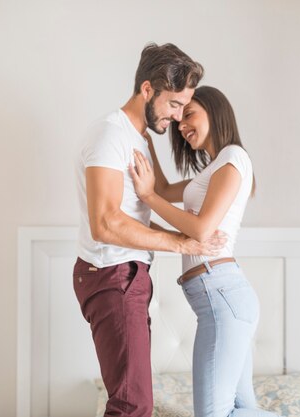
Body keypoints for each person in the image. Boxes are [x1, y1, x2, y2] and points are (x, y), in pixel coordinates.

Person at [73, 44, 226, 417]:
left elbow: (144, 207)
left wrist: (218, 176)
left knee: (133, 401)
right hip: (113, 275)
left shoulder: (138, 139)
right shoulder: (110, 135)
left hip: (127, 275)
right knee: (132, 405)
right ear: (147, 90)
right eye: (174, 104)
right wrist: (182, 242)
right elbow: (106, 223)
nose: (176, 117)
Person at [130, 86, 278, 417]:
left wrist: (148, 198)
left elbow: (200, 230)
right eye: (179, 120)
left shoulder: (234, 158)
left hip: (222, 296)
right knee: (242, 407)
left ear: (215, 112)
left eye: (189, 114)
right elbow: (166, 190)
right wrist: (146, 135)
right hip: (222, 298)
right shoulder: (212, 169)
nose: (182, 126)